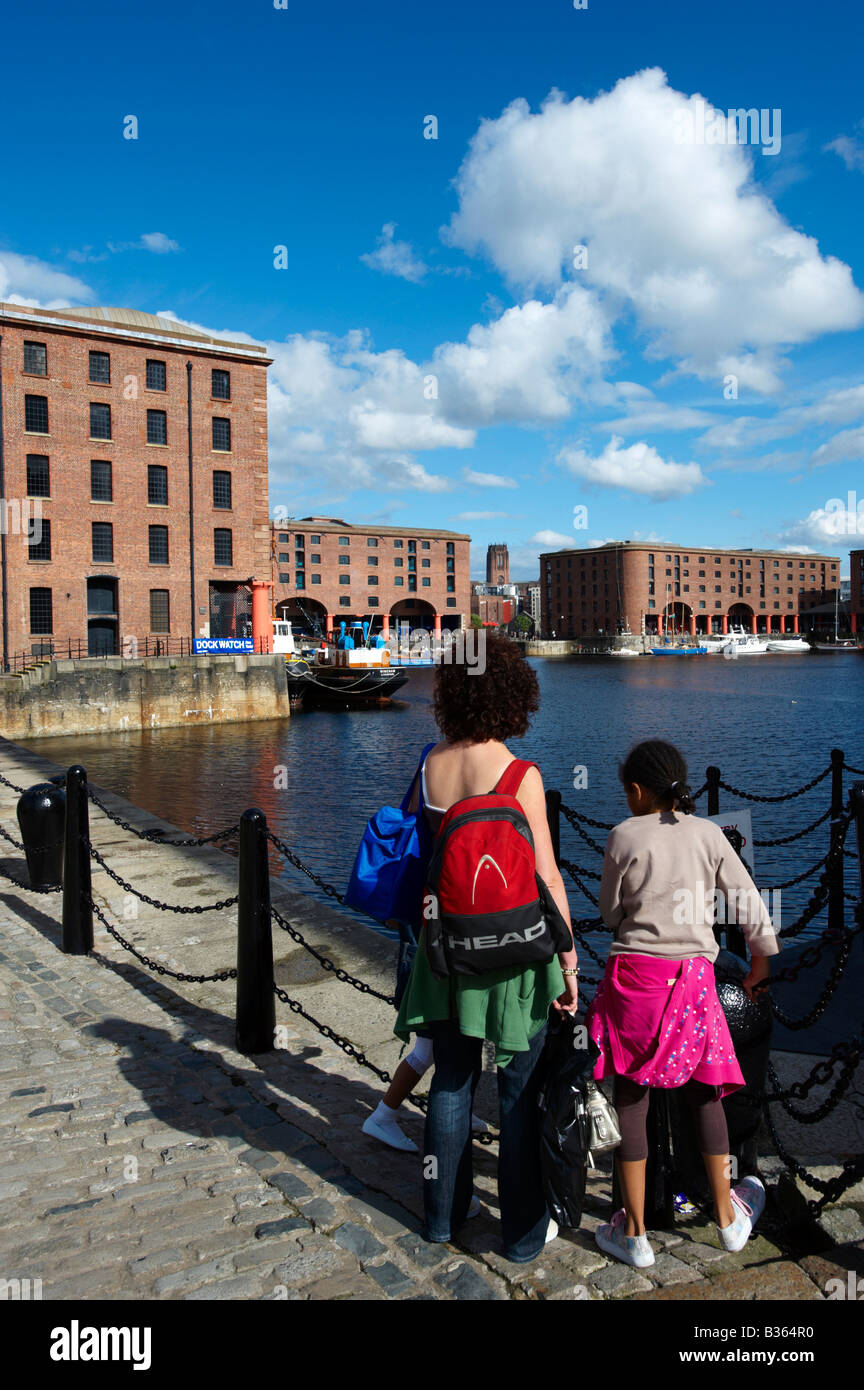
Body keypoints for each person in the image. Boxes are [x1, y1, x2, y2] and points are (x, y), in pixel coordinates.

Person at [393, 634, 580, 1263]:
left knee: (450, 1080)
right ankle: (522, 1234)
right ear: (511, 693)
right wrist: (569, 959)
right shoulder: (522, 775)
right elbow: (547, 877)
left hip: (445, 949)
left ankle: (442, 1216)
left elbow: (428, 856)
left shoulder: (430, 766)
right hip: (516, 953)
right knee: (518, 1091)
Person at [586, 739, 780, 1269]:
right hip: (693, 982)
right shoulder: (709, 834)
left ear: (636, 789)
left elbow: (608, 914)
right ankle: (726, 1219)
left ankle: (635, 1233)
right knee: (706, 1095)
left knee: (631, 1098)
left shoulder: (623, 836)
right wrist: (761, 959)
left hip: (634, 981)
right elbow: (747, 900)